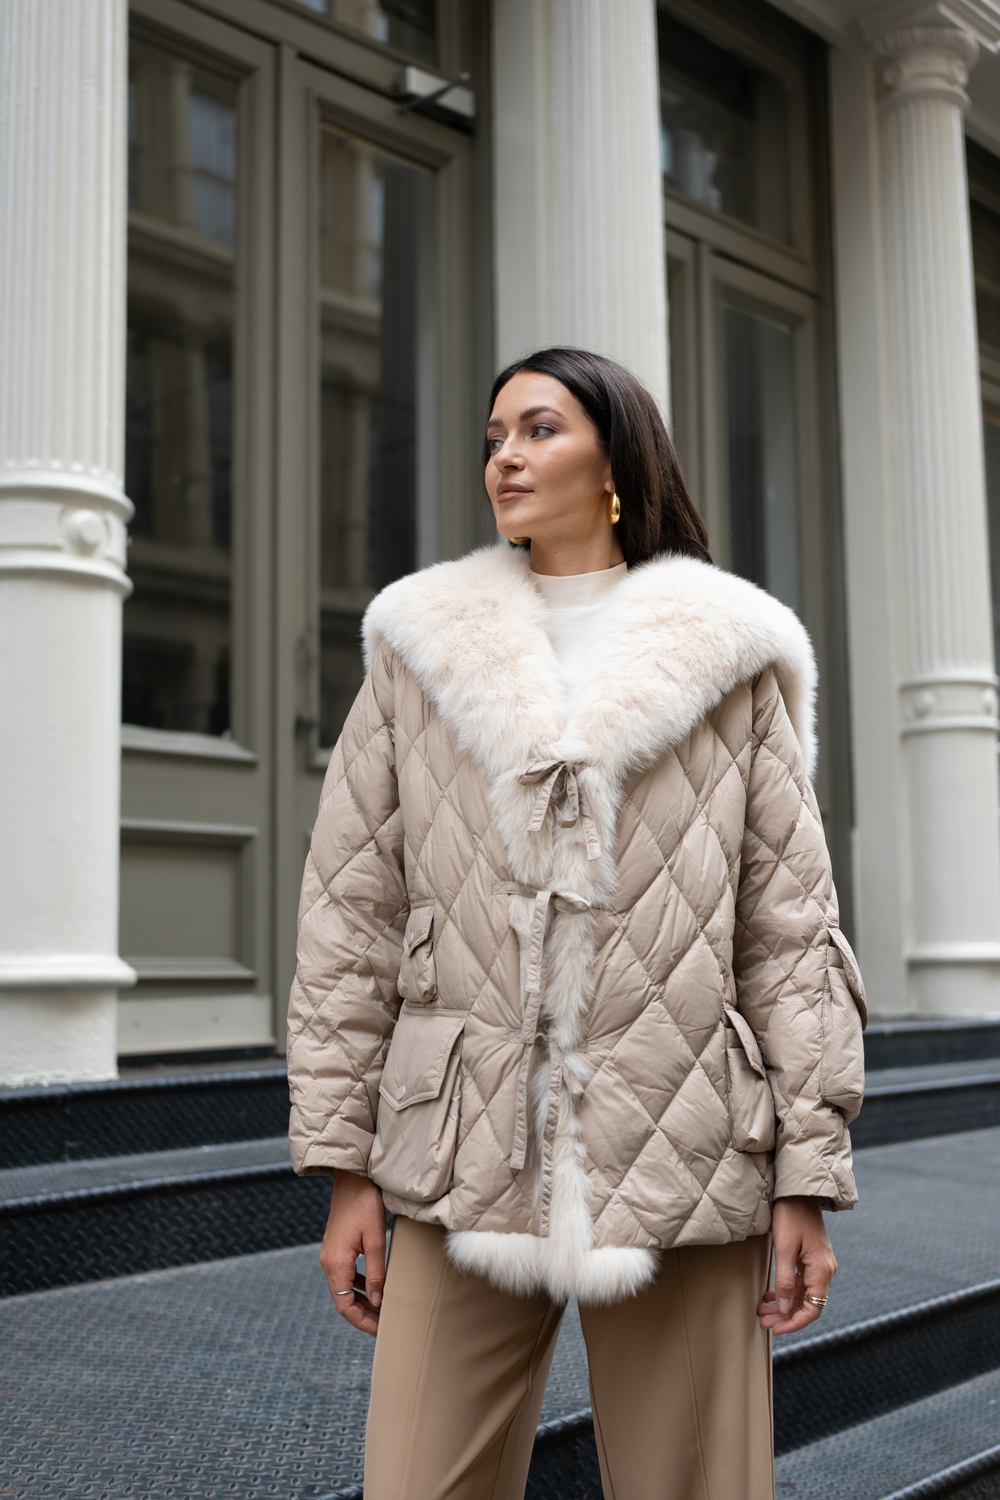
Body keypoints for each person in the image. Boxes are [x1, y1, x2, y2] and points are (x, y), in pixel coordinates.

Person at [286, 347, 867, 1500]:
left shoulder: (729, 658)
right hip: (459, 1143)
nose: (505, 456)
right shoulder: (418, 649)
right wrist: (345, 1166)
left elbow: (788, 934)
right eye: (494, 436)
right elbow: (351, 913)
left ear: (615, 461)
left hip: (682, 1140)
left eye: (539, 429)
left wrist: (806, 1172)